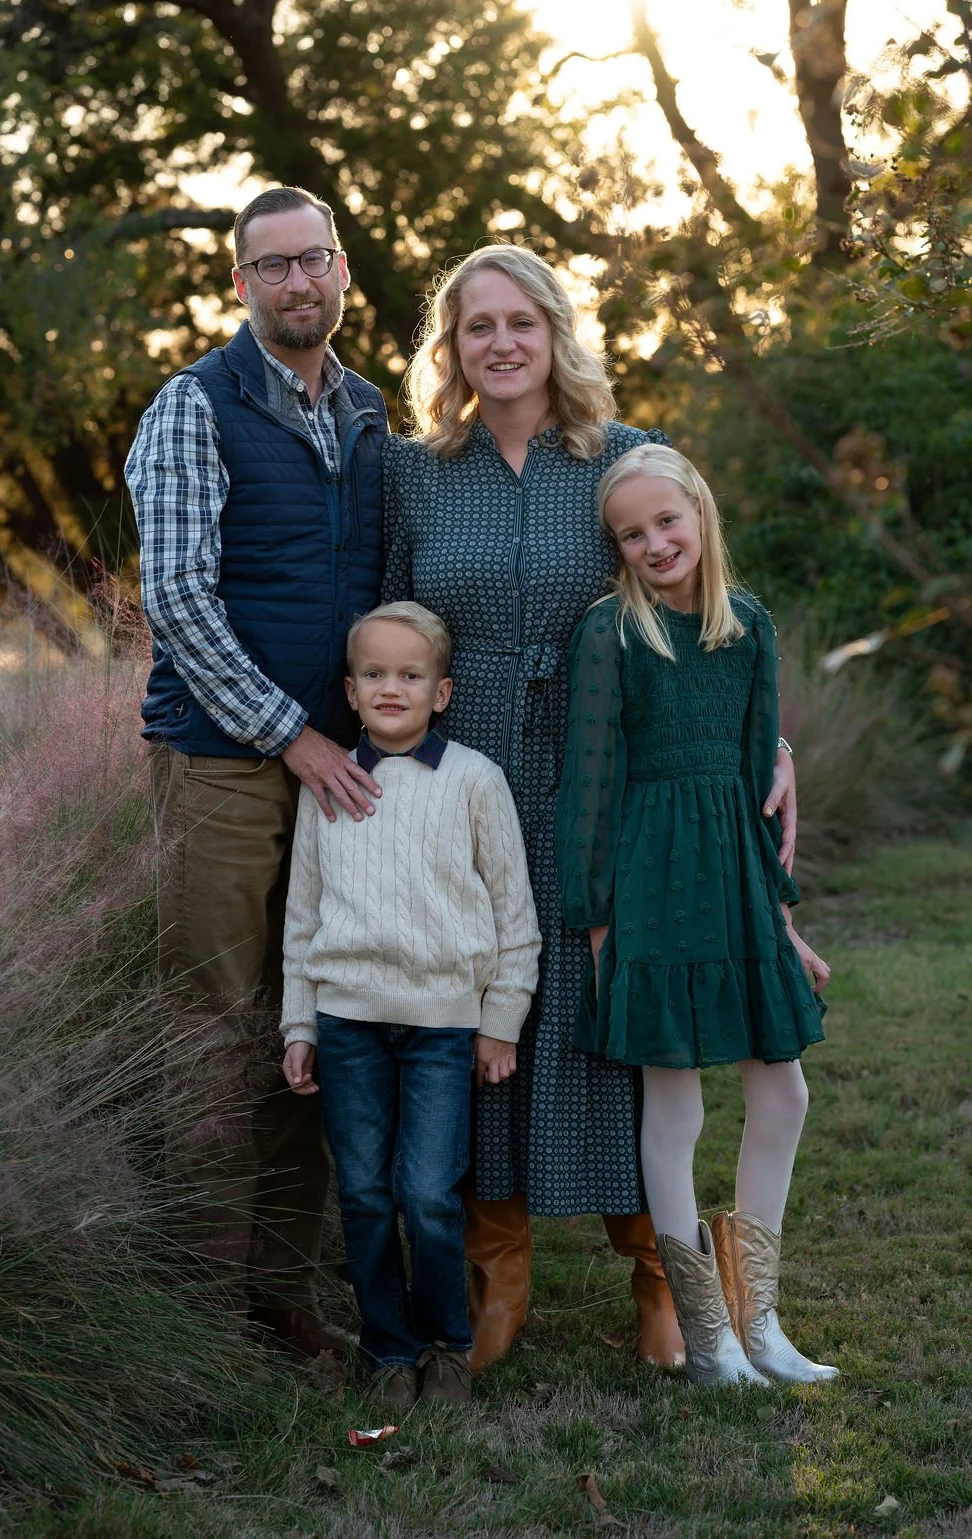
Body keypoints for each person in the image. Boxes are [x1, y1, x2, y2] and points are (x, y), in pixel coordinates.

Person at [382, 244, 799, 1372]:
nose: (501, 343)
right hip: (461, 774)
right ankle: (496, 1268)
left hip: (611, 780)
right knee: (475, 1006)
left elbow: (704, 609)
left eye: (521, 321)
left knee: (609, 1003)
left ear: (556, 333)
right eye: (478, 325)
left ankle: (657, 1271)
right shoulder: (418, 472)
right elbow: (387, 628)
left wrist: (769, 742)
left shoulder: (619, 458)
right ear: (452, 346)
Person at [125, 185, 387, 1353]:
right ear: (241, 284)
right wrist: (291, 733)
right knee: (210, 1023)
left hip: (341, 771)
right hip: (223, 762)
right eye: (271, 265)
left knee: (309, 1021)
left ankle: (284, 1296)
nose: (296, 282)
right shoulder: (196, 405)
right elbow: (178, 596)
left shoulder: (369, 412)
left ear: (342, 272)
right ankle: (199, 1310)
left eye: (313, 260)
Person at [555, 443, 837, 1386]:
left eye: (667, 521)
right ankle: (707, 1336)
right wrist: (600, 929)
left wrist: (781, 920)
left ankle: (761, 1321)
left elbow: (762, 783)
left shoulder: (748, 626)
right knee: (676, 1101)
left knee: (784, 1092)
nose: (654, 543)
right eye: (631, 533)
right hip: (650, 882)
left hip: (737, 878)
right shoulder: (609, 633)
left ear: (702, 515)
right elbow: (589, 786)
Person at [281, 602, 541, 1406]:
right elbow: (302, 917)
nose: (391, 687)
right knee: (364, 1193)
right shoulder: (328, 782)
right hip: (347, 1022)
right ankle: (389, 1351)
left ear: (442, 691)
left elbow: (515, 915)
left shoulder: (473, 779)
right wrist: (299, 1022)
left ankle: (446, 1345)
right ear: (350, 692)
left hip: (442, 1024)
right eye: (374, 673)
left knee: (428, 1193)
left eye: (410, 674)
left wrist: (500, 1020)